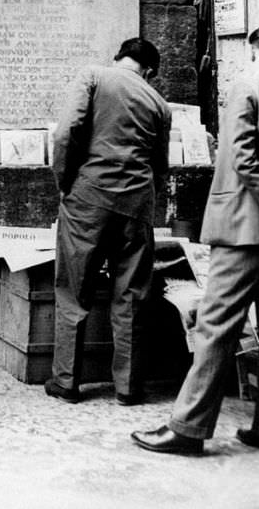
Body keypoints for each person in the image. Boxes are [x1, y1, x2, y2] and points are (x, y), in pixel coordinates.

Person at [131, 24, 259, 455]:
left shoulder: (247, 89)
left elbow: (242, 159)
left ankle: (188, 429)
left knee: (216, 329)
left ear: (254, 50)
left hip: (246, 232)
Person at [45, 37, 171, 405]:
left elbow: (67, 133)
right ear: (149, 71)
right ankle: (128, 387)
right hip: (136, 204)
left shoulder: (94, 77)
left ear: (118, 57)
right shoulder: (159, 104)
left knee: (74, 289)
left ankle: (67, 382)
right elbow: (160, 166)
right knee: (131, 295)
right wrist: (142, 199)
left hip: (88, 197)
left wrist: (65, 183)